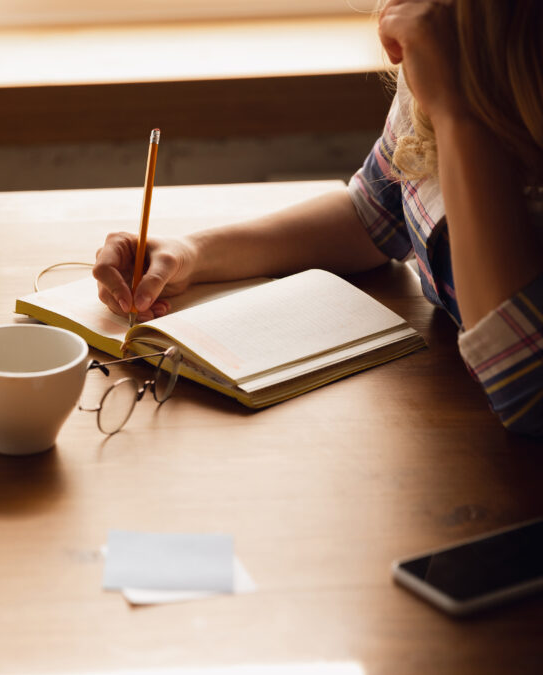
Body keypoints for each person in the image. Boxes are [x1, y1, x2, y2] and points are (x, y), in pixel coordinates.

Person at [91, 0, 543, 436]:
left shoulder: (455, 80)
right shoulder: (443, 52)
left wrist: (457, 113)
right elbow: (370, 215)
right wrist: (193, 253)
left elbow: (524, 390)